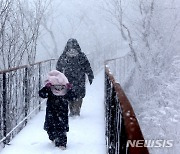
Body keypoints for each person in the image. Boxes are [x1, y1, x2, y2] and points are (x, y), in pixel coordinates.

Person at [56, 38, 94, 117]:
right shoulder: (81, 55)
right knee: (79, 95)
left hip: (68, 78)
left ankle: (72, 110)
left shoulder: (64, 55)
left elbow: (59, 67)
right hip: (79, 78)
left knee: (69, 94)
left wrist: (58, 77)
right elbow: (87, 66)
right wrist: (90, 75)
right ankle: (76, 111)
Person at [39, 70, 72, 150]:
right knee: (56, 127)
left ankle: (61, 143)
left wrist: (69, 90)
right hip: (59, 110)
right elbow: (72, 97)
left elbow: (42, 94)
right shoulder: (51, 88)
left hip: (54, 110)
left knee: (59, 127)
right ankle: (56, 139)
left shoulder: (52, 88)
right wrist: (69, 89)